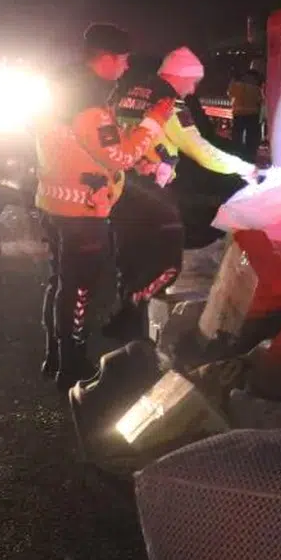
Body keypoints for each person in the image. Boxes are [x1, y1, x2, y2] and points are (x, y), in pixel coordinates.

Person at [35, 23, 172, 390]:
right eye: (123, 61)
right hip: (81, 211)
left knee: (61, 283)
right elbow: (121, 153)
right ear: (107, 59)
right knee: (78, 289)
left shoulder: (64, 93)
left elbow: (89, 149)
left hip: (54, 203)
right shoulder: (88, 105)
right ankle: (72, 365)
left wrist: (129, 158)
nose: (126, 68)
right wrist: (155, 122)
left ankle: (55, 356)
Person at [103, 46, 256, 340]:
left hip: (121, 183)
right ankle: (138, 325)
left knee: (130, 253)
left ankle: (124, 315)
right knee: (166, 259)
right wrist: (242, 167)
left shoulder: (132, 92)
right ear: (181, 75)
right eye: (193, 81)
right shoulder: (168, 101)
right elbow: (199, 148)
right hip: (150, 189)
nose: (193, 89)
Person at [227, 63, 264, 162]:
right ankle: (250, 156)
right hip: (252, 115)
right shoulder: (256, 88)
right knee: (251, 138)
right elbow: (260, 101)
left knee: (237, 137)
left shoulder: (236, 85)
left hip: (238, 114)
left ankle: (237, 154)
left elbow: (230, 94)